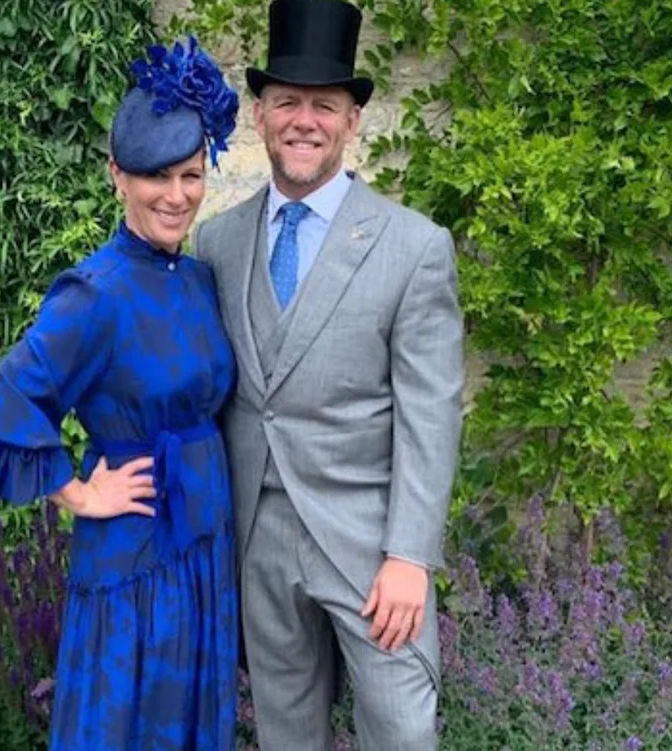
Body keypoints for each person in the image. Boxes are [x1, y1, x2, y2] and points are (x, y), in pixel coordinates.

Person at [193, 0, 463, 748]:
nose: (303, 119)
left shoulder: (414, 247)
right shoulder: (218, 241)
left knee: (403, 731)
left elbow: (431, 413)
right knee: (285, 734)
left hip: (370, 543)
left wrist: (410, 555)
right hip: (260, 537)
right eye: (287, 102)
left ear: (353, 122)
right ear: (260, 114)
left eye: (323, 105)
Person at [0, 37, 240, 751]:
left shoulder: (199, 277)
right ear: (117, 175)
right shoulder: (94, 293)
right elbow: (4, 404)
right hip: (135, 557)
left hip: (204, 548)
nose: (176, 196)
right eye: (155, 177)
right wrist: (80, 494)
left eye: (189, 174)